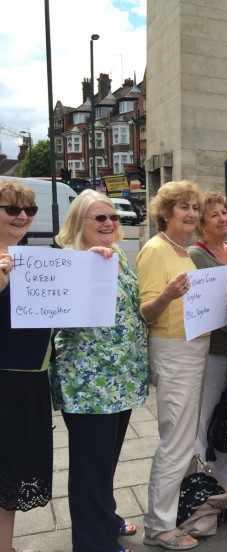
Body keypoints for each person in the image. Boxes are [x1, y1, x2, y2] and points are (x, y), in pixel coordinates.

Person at [51, 190, 147, 552]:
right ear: (79, 223)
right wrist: (83, 269)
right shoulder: (71, 260)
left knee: (106, 461)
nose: (109, 223)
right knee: (90, 467)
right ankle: (94, 543)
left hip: (120, 378)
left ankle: (104, 518)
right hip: (89, 383)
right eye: (100, 218)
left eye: (113, 218)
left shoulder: (119, 255)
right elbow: (57, 318)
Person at [137, 180, 208, 550]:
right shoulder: (154, 250)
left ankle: (166, 516)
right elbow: (147, 312)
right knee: (175, 439)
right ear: (165, 213)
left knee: (183, 437)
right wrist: (168, 293)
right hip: (173, 349)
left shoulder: (181, 250)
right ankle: (159, 526)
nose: (192, 213)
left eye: (194, 207)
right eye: (183, 207)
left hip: (193, 347)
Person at [0, 180, 53, 552]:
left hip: (30, 380)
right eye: (12, 209)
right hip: (3, 381)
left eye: (29, 210)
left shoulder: (30, 258)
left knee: (12, 475)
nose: (22, 216)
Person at [188, 190, 227, 492]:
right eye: (214, 214)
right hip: (214, 349)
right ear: (201, 222)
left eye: (224, 212)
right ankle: (203, 479)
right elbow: (209, 309)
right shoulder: (195, 255)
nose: (222, 218)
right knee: (206, 416)